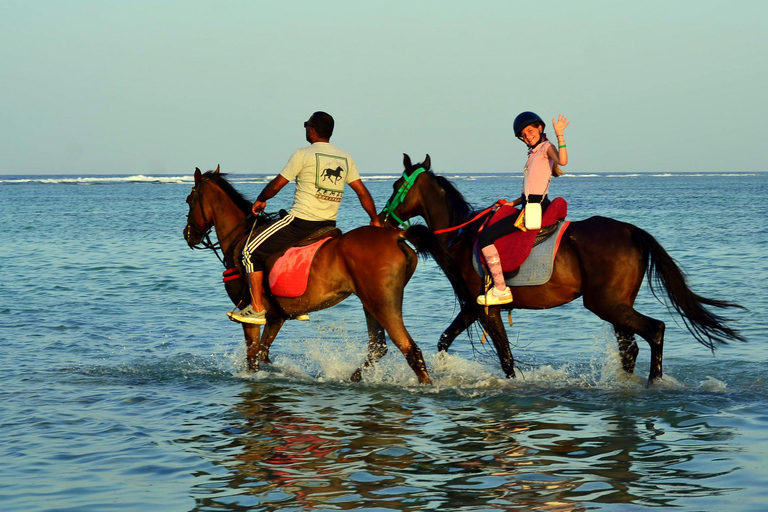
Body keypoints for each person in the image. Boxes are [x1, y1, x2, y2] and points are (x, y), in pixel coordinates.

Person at [229, 111, 382, 325]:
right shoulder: (345, 158)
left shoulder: (303, 154)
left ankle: (256, 308)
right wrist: (374, 219)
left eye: (306, 126)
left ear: (312, 130)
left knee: (249, 251)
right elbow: (362, 192)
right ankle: (294, 304)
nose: (305, 129)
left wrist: (261, 199)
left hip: (300, 222)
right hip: (328, 225)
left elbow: (277, 184)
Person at [476, 111, 569, 306]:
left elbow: (563, 161)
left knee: (485, 237)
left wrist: (560, 134)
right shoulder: (533, 154)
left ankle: (501, 289)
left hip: (535, 210)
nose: (527, 136)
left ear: (540, 128)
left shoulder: (546, 148)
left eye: (530, 131)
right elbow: (529, 191)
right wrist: (512, 203)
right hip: (527, 206)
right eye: (523, 135)